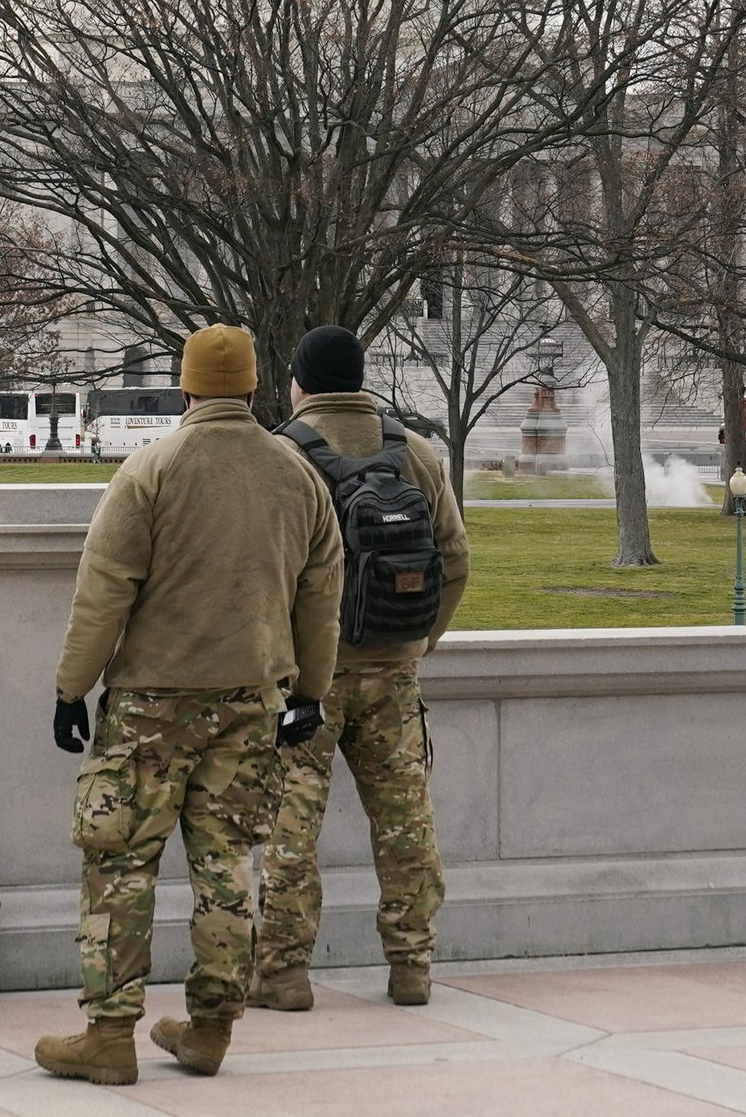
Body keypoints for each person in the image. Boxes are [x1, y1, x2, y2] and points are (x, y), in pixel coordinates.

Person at [33, 325, 341, 1086]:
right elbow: (321, 596)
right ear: (254, 388)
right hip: (251, 700)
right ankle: (210, 1028)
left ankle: (109, 1034)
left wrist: (72, 688)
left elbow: (103, 591)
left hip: (150, 706)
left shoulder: (152, 469)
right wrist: (310, 693)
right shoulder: (295, 474)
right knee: (228, 863)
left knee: (120, 864)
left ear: (186, 386)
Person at [252, 325, 468, 1009]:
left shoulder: (282, 456)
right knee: (405, 820)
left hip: (305, 681)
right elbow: (455, 560)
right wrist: (416, 645)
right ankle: (412, 967)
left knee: (291, 826)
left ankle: (283, 974)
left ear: (300, 382)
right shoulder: (417, 454)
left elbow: (262, 573)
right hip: (393, 674)